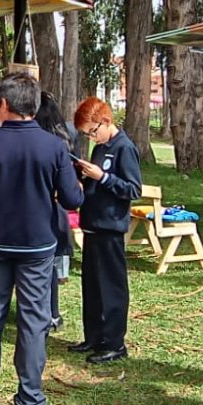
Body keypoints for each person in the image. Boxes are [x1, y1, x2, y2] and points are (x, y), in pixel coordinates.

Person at [0, 73, 83, 405]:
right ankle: (29, 404)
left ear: (3, 104)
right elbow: (73, 199)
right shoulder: (54, 147)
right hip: (37, 245)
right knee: (33, 321)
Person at [69, 97, 141, 365]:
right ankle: (93, 337)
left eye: (92, 131)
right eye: (87, 134)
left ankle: (114, 342)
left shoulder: (124, 148)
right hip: (92, 225)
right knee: (92, 286)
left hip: (111, 227)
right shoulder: (100, 147)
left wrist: (103, 177)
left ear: (106, 122)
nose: (91, 137)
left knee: (111, 287)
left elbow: (133, 189)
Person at [34, 93, 75, 331]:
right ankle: (53, 313)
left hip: (43, 210)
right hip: (56, 209)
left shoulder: (45, 144)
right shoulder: (63, 139)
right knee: (49, 265)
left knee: (41, 265)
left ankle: (46, 313)